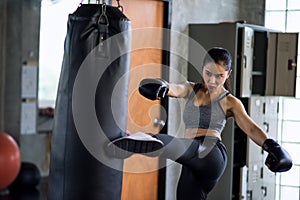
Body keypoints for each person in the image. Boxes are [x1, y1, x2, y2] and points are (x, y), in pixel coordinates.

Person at [108, 47, 292, 200]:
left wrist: (273, 147)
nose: (212, 80)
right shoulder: (191, 89)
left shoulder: (230, 102)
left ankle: (148, 141)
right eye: (208, 74)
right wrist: (163, 86)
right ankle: (147, 141)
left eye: (219, 76)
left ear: (228, 74)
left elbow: (250, 127)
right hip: (190, 160)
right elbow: (176, 88)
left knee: (183, 147)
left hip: (212, 156)